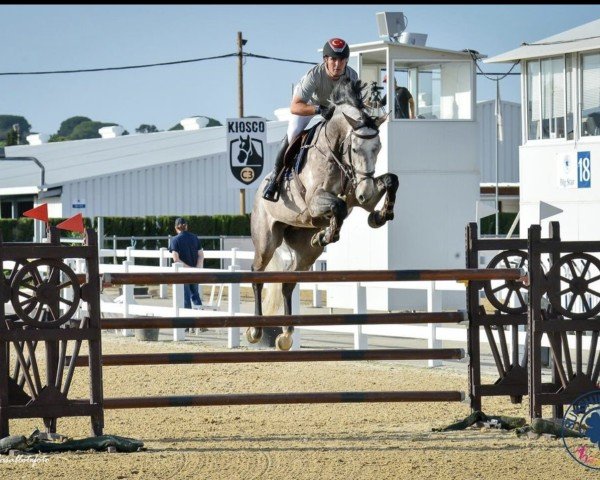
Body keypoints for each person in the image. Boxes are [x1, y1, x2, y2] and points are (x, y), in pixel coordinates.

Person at [262, 37, 359, 202]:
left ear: (347, 60)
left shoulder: (351, 76)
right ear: (325, 60)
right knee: (293, 133)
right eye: (333, 59)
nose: (337, 64)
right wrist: (318, 110)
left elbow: (353, 105)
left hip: (334, 109)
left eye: (342, 60)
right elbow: (295, 106)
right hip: (309, 105)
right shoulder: (314, 75)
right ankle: (275, 179)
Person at [168, 217, 204, 309]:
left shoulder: (175, 240)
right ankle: (200, 315)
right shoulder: (195, 237)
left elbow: (176, 259)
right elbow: (201, 255)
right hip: (195, 271)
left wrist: (188, 268)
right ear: (186, 226)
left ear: (176, 228)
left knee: (186, 297)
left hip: (183, 272)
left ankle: (188, 318)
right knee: (195, 295)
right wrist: (197, 268)